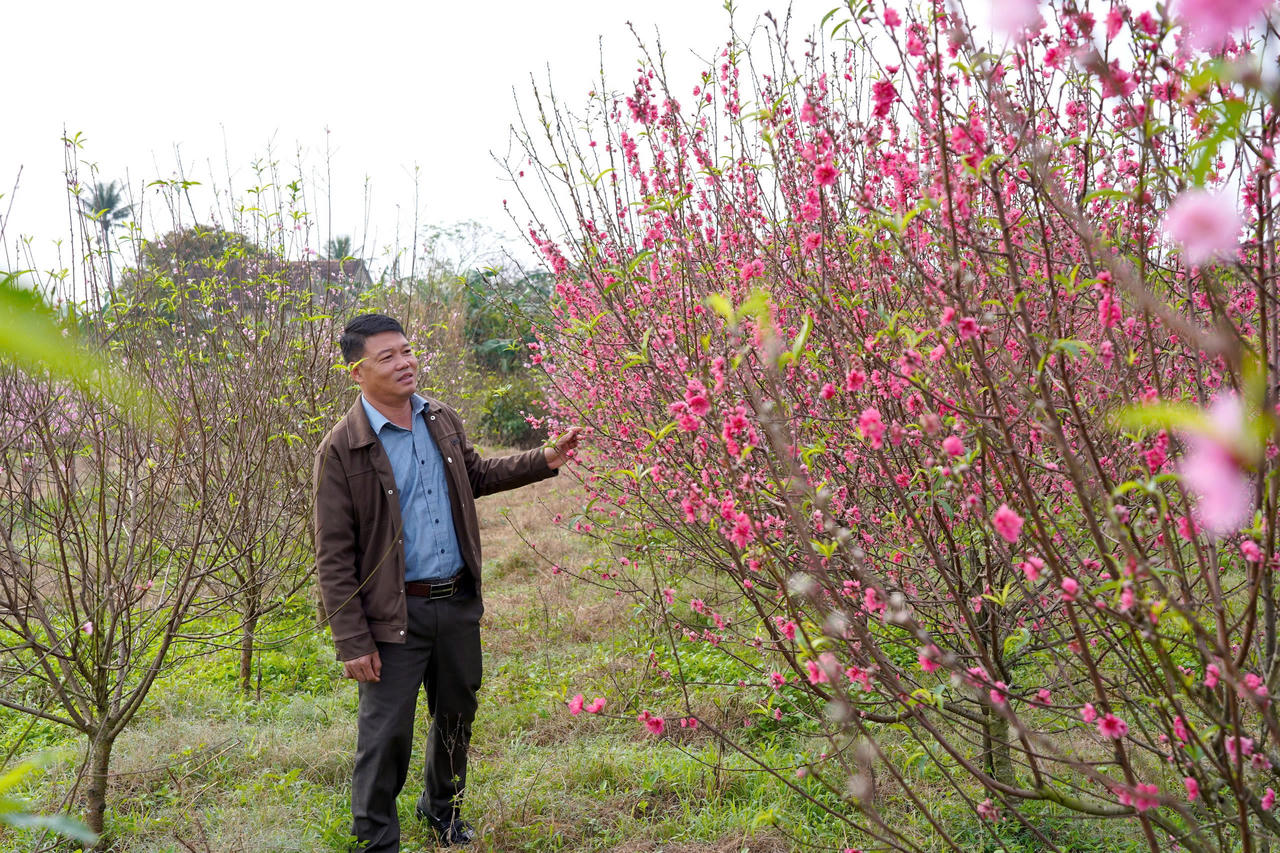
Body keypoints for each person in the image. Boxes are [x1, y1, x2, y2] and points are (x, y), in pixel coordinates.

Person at [313, 313, 581, 850]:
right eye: (386, 356)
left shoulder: (441, 419)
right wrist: (351, 638)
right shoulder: (342, 448)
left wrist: (543, 459)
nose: (404, 363)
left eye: (407, 351)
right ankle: (376, 839)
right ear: (357, 372)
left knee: (456, 718)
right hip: (393, 617)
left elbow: (475, 476)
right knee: (386, 735)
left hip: (455, 602)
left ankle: (443, 814)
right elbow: (334, 553)